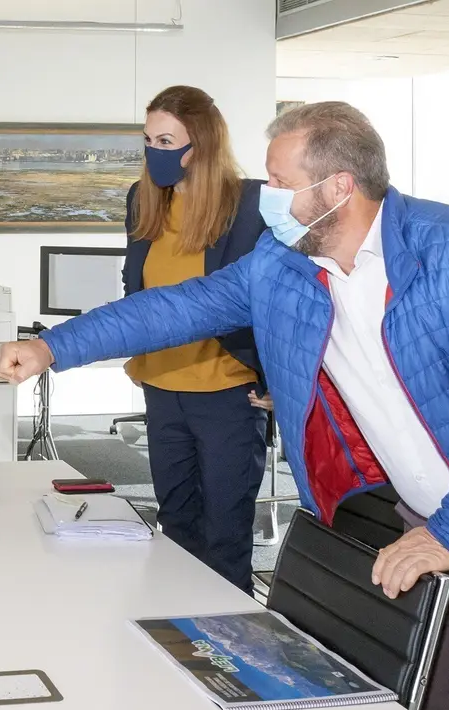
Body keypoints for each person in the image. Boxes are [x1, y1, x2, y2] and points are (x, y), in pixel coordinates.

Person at [0, 101, 449, 710]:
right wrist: (51, 347)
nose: (264, 197)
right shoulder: (285, 262)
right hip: (430, 541)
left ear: (337, 188)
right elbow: (175, 308)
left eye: (278, 183)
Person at [119, 85, 268, 593]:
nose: (154, 151)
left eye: (167, 140)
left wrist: (277, 378)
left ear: (200, 145)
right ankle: (178, 636)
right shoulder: (143, 200)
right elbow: (135, 284)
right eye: (148, 139)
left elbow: (276, 297)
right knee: (177, 524)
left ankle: (236, 651)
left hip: (228, 390)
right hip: (162, 385)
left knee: (225, 534)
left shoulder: (250, 205)